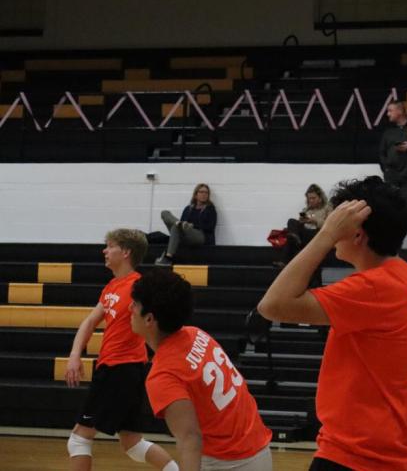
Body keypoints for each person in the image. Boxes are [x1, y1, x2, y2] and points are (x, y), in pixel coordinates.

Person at [257, 176, 407, 470]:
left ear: (357, 235)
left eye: (338, 222)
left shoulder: (373, 288)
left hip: (355, 456)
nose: (332, 227)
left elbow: (272, 306)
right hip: (396, 453)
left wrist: (324, 236)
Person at [130, 268, 272, 471]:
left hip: (228, 463)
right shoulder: (196, 334)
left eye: (135, 304)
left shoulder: (162, 375)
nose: (129, 308)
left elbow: (190, 439)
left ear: (150, 319)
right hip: (258, 448)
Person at [64, 229, 178, 471]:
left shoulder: (139, 287)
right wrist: (75, 354)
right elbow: (90, 321)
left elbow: (157, 325)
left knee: (79, 439)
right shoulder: (112, 287)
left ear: (125, 252)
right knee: (132, 443)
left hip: (121, 368)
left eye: (110, 246)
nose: (104, 251)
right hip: (121, 369)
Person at [156, 183, 216, 266]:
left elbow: (210, 227)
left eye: (206, 193)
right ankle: (178, 222)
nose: (204, 194)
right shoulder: (188, 208)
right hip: (185, 232)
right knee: (165, 213)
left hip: (201, 235)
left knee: (177, 227)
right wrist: (182, 224)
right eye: (201, 192)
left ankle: (168, 257)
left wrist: (192, 226)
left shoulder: (210, 209)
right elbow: (182, 225)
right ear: (196, 194)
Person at [285, 184, 331, 250]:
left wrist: (314, 221)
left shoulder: (327, 208)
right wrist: (302, 221)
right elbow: (301, 224)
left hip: (317, 233)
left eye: (313, 198)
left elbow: (329, 225)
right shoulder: (306, 209)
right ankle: (295, 239)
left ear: (320, 198)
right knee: (291, 221)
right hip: (305, 233)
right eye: (309, 198)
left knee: (292, 240)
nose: (311, 200)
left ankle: (295, 241)